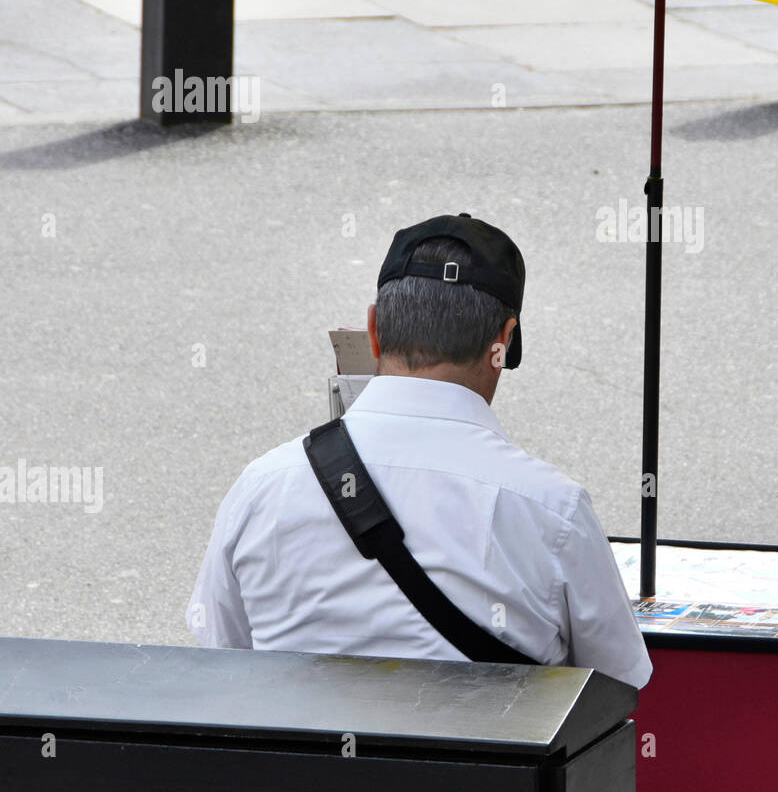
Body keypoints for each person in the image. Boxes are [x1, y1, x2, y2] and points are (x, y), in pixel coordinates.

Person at [187, 213, 651, 689]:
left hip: (304, 765)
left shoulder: (262, 486)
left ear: (372, 329)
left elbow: (223, 655)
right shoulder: (554, 511)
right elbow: (617, 686)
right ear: (504, 342)